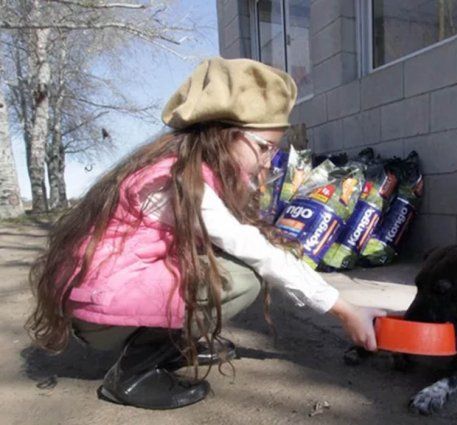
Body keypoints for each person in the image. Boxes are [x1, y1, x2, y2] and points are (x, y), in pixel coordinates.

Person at [26, 57, 385, 410]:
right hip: (100, 315)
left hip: (104, 303)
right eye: (263, 147)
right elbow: (254, 248)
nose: (268, 160)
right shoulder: (179, 182)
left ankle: (171, 344)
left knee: (223, 263)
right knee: (242, 277)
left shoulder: (187, 167)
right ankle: (132, 375)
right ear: (225, 135)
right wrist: (344, 309)